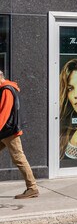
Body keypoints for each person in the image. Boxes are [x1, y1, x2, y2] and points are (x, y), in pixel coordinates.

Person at [0, 70, 38, 199]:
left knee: (19, 158)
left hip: (9, 132)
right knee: (19, 158)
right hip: (5, 131)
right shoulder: (6, 88)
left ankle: (32, 188)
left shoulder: (6, 90)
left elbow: (3, 115)